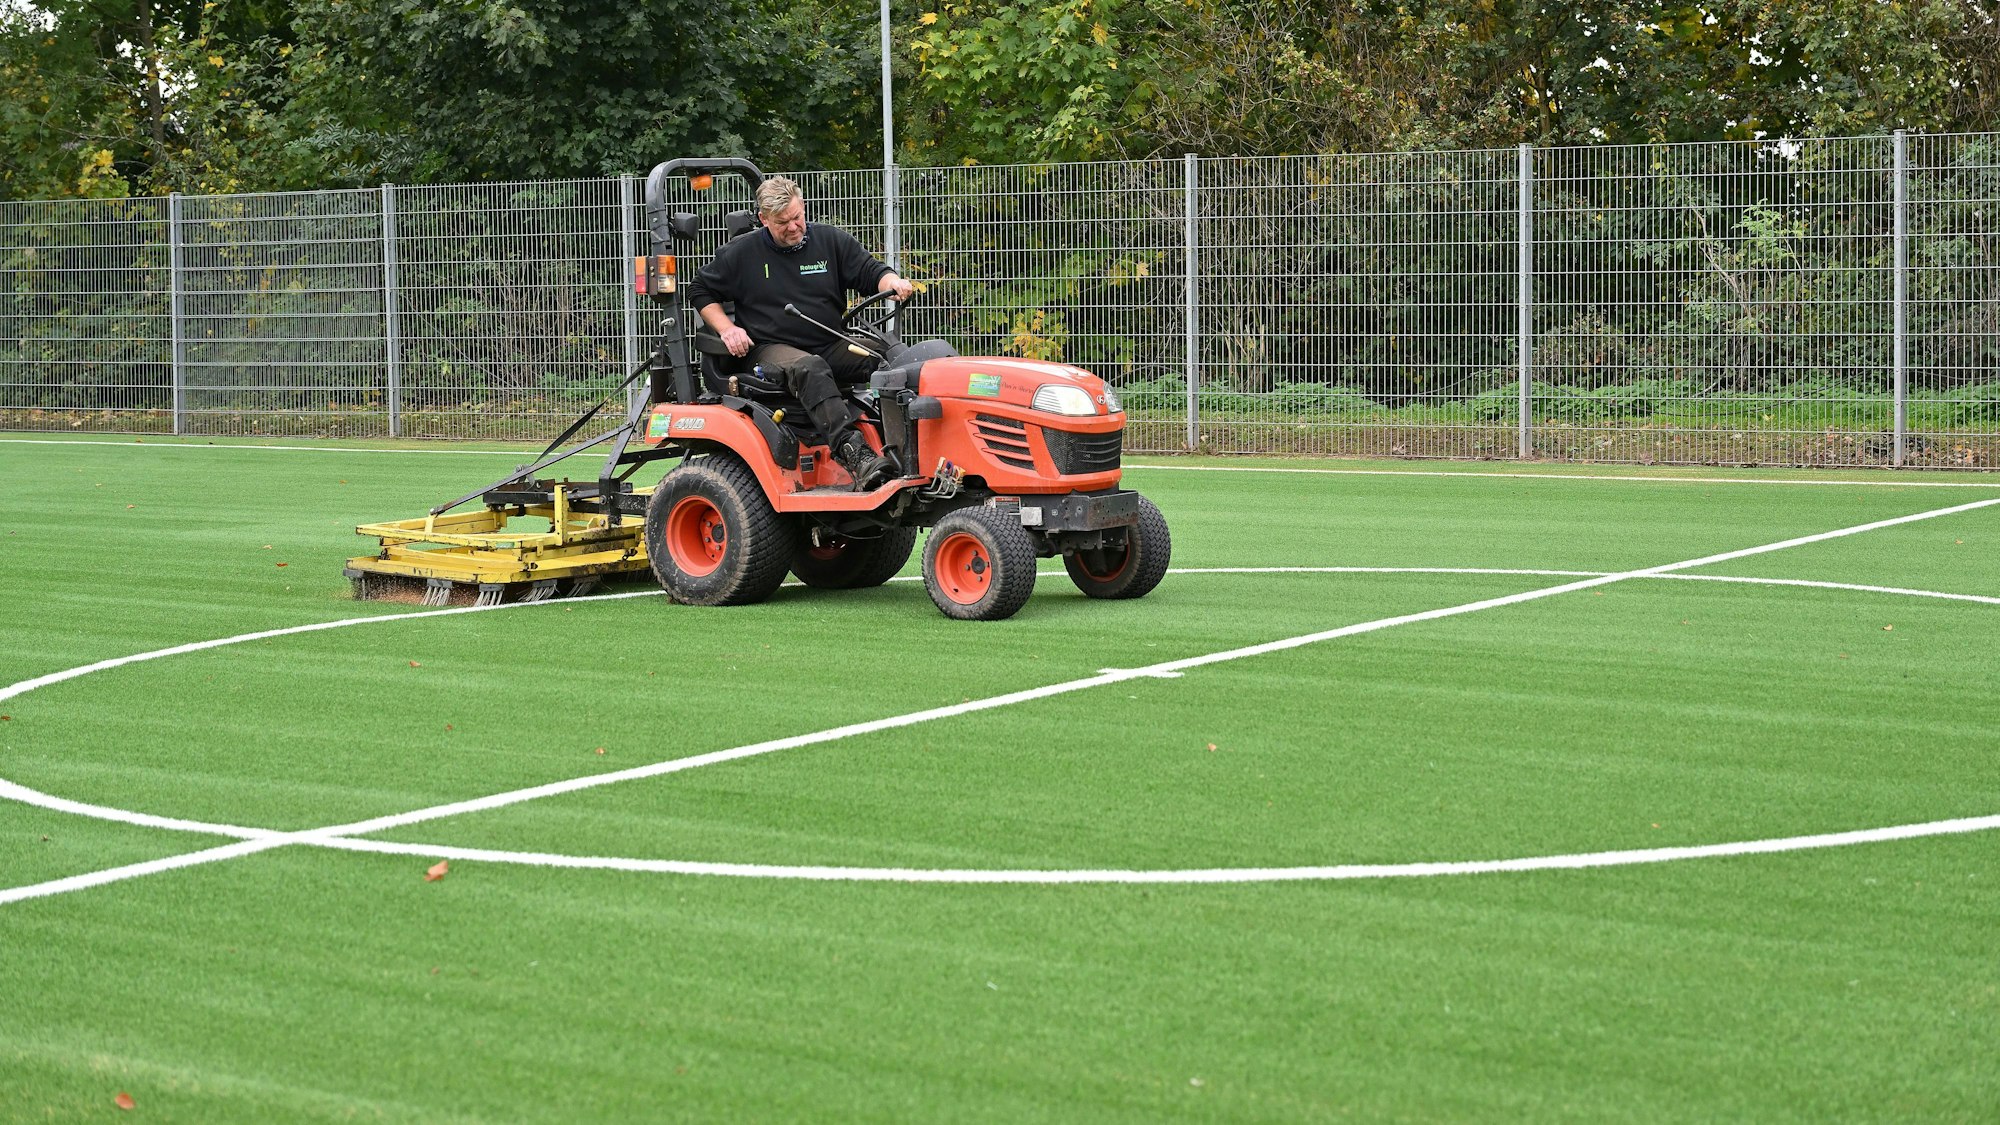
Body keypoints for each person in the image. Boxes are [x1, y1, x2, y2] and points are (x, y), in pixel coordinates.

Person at [685, 175, 916, 489]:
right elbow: (700, 290)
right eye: (783, 222)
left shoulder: (829, 241)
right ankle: (856, 455)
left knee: (891, 357)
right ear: (764, 219)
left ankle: (911, 450)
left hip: (827, 340)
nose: (794, 227)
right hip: (769, 349)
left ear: (803, 207)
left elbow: (870, 271)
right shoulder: (743, 253)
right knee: (811, 368)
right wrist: (727, 329)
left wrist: (893, 283)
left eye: (797, 217)